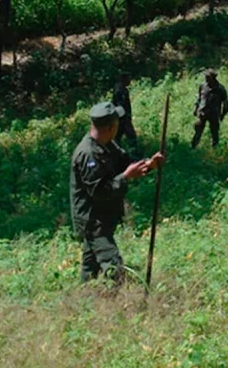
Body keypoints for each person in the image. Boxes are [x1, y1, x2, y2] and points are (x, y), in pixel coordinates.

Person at [70, 102, 164, 284]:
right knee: (113, 266)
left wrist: (148, 164)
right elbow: (98, 192)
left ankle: (82, 300)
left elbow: (126, 163)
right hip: (93, 220)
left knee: (90, 269)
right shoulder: (88, 154)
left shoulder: (107, 145)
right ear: (111, 127)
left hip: (104, 216)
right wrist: (126, 177)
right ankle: (124, 302)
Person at [191, 69, 228, 149]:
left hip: (214, 114)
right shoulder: (203, 86)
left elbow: (225, 103)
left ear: (213, 78)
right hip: (202, 113)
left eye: (208, 77)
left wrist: (223, 114)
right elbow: (199, 98)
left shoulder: (220, 88)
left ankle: (214, 150)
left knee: (214, 133)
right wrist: (195, 108)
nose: (206, 78)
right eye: (205, 77)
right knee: (198, 131)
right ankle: (193, 147)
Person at [111, 73, 138, 152]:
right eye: (128, 79)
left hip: (120, 117)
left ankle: (118, 152)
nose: (130, 81)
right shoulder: (121, 90)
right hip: (123, 118)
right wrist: (125, 117)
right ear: (124, 79)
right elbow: (120, 105)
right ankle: (133, 153)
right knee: (131, 137)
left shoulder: (119, 87)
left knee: (117, 137)